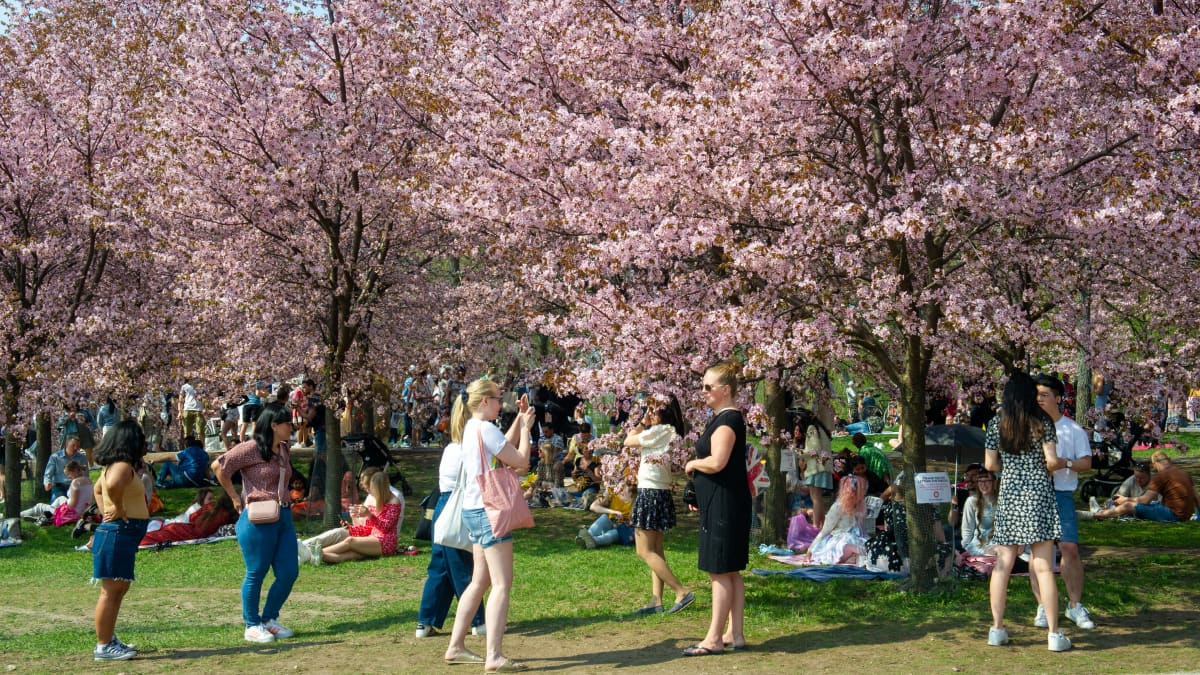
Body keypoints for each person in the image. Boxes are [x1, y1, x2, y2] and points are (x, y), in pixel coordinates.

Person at [442, 378, 536, 672]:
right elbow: (520, 461)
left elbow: (500, 447)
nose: (501, 403)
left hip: (474, 510)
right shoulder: (485, 428)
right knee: (501, 584)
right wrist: (526, 430)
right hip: (490, 511)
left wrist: (520, 422)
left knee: (479, 581)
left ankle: (456, 646)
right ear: (484, 401)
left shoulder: (472, 427)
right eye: (497, 398)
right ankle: (494, 655)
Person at [984, 372, 1071, 652]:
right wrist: (1040, 469)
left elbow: (989, 464)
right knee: (1044, 565)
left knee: (1002, 564)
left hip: (1010, 493)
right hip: (1039, 495)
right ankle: (1055, 634)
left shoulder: (997, 423)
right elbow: (1052, 460)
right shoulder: (1042, 421)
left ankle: (996, 629)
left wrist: (1010, 469)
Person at [212, 401, 298, 644]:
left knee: (289, 572)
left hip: (283, 515)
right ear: (273, 425)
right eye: (287, 423)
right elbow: (219, 466)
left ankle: (269, 619)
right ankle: (251, 624)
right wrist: (233, 496)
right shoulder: (250, 448)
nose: (292, 426)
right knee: (256, 572)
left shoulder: (283, 449)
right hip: (258, 517)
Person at [682, 361, 752, 656]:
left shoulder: (727, 421)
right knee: (731, 571)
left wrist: (692, 465)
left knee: (719, 572)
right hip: (726, 501)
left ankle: (712, 639)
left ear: (725, 390)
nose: (703, 392)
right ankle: (734, 634)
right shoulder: (726, 418)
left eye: (708, 387)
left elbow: (717, 461)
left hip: (724, 504)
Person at [415, 398, 486, 639]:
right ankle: (477, 621)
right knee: (463, 566)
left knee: (440, 567)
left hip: (442, 508)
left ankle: (426, 621)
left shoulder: (451, 448)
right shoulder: (468, 448)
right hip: (459, 507)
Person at [1030, 375, 1096, 630]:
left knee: (1069, 548)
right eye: (1036, 396)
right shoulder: (1029, 427)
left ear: (1058, 398)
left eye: (1044, 395)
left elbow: (1086, 462)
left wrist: (1063, 463)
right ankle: (1043, 606)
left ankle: (1074, 605)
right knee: (1037, 553)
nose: (1039, 400)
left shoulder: (1072, 430)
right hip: (1035, 494)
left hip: (1062, 493)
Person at [623, 394, 693, 616]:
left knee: (643, 550)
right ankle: (656, 600)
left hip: (650, 492)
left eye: (654, 409)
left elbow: (628, 440)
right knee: (656, 550)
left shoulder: (659, 431)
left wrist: (643, 421)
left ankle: (681, 591)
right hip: (659, 492)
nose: (650, 413)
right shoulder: (668, 432)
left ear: (664, 411)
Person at [90, 420, 151, 661]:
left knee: (119, 588)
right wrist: (117, 508)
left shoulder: (116, 465)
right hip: (118, 532)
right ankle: (103, 646)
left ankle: (109, 638)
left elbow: (97, 489)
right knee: (111, 591)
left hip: (121, 532)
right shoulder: (122, 466)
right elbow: (112, 486)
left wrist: (108, 508)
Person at [317, 471, 402, 564]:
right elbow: (369, 527)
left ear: (380, 489)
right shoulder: (375, 500)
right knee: (350, 555)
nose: (371, 493)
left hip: (385, 543)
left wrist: (369, 515)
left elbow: (385, 528)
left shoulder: (394, 502)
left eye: (373, 490)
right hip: (372, 538)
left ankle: (316, 553)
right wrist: (351, 528)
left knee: (350, 541)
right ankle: (318, 557)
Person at [1092, 451, 1198, 522]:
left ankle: (1097, 515)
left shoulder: (1160, 476)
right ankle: (1104, 511)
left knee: (1128, 505)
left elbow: (1144, 500)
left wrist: (1125, 500)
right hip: (1185, 515)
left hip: (1173, 515)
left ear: (1154, 463)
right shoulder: (1183, 473)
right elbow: (1197, 498)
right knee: (1153, 504)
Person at [806, 475, 867, 564]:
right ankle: (854, 553)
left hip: (856, 537)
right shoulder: (838, 507)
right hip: (839, 538)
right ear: (852, 492)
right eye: (862, 489)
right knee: (846, 542)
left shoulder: (859, 505)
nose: (864, 492)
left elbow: (860, 527)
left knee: (866, 544)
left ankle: (856, 555)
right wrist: (810, 551)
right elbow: (825, 530)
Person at [140, 493, 238, 547]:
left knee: (144, 538)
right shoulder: (226, 516)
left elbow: (192, 517)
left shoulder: (211, 507)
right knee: (144, 539)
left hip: (180, 527)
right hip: (184, 532)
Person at [22, 461, 92, 525]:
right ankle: (46, 516)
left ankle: (19, 515)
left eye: (68, 474)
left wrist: (61, 508)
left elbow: (72, 505)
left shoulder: (75, 483)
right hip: (82, 511)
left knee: (40, 506)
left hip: (72, 513)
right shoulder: (89, 481)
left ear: (74, 471)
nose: (68, 477)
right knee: (61, 498)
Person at [575, 485, 634, 549]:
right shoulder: (614, 494)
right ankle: (588, 535)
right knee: (604, 517)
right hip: (612, 523)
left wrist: (621, 524)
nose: (621, 491)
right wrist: (612, 512)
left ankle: (593, 541)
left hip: (622, 530)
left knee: (612, 533)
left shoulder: (636, 501)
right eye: (621, 489)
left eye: (624, 490)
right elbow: (593, 507)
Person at [44, 436, 88, 501]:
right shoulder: (55, 457)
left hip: (75, 486)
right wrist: (47, 482)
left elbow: (85, 475)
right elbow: (48, 473)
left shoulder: (82, 458)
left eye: (78, 446)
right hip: (59, 486)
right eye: (73, 445)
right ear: (67, 444)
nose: (76, 448)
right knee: (57, 504)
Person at [178, 379, 205, 445]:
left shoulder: (203, 385)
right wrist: (180, 412)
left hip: (198, 410)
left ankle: (202, 448)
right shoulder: (184, 386)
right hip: (187, 409)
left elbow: (206, 398)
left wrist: (205, 408)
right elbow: (180, 400)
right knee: (187, 432)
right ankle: (187, 448)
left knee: (200, 430)